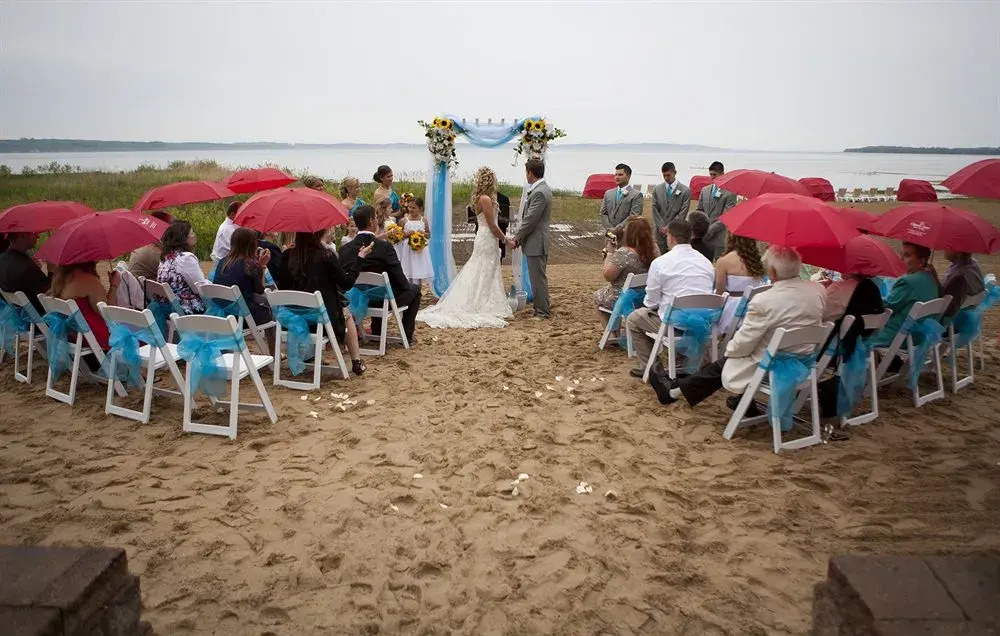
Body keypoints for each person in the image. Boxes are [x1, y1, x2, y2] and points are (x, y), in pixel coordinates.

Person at [648, 246, 826, 409]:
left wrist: (728, 350)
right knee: (733, 358)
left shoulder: (765, 300)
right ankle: (676, 390)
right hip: (805, 361)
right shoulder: (817, 291)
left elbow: (743, 343)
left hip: (770, 365)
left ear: (771, 271)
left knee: (728, 359)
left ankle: (673, 391)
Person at [417, 167, 512, 328]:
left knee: (486, 269)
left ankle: (484, 298)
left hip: (486, 237)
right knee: (482, 268)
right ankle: (480, 302)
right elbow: (492, 225)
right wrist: (506, 240)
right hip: (487, 237)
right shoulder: (485, 199)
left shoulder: (482, 198)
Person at [624, 219, 715, 378]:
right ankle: (680, 361)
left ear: (670, 237)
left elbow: (651, 302)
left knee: (634, 319)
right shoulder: (706, 263)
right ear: (690, 237)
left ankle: (651, 368)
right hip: (704, 323)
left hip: (674, 326)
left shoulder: (661, 263)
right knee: (667, 310)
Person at [278, 228, 372, 376]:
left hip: (292, 319)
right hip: (321, 321)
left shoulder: (287, 255)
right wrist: (360, 258)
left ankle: (310, 355)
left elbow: (282, 286)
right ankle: (356, 361)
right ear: (320, 233)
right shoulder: (326, 256)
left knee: (330, 308)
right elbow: (346, 283)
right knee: (346, 313)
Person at [340, 205, 422, 341]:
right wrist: (405, 288)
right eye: (375, 218)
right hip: (382, 300)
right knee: (415, 290)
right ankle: (407, 335)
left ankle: (377, 329)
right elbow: (398, 276)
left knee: (376, 288)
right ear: (371, 221)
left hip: (354, 300)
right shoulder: (384, 247)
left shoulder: (345, 249)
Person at [869, 242, 940, 349]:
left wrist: (867, 297)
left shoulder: (908, 282)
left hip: (897, 335)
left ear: (921, 261)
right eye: (901, 254)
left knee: (854, 334)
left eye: (907, 255)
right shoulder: (930, 279)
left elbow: (887, 306)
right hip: (918, 336)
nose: (901, 259)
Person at [509, 158, 553, 319]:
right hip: (536, 241)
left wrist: (516, 238)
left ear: (530, 173)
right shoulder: (541, 189)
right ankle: (539, 308)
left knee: (538, 279)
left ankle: (542, 311)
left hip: (536, 242)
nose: (526, 175)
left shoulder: (540, 192)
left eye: (526, 172)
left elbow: (530, 220)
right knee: (537, 278)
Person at [594, 216, 655, 324]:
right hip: (646, 297)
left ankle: (612, 331)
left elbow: (608, 276)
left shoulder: (624, 253)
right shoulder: (653, 250)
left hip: (624, 299)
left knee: (598, 296)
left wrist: (610, 253)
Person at [51, 262, 121, 351]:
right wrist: (114, 285)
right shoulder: (89, 280)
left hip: (72, 334)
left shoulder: (60, 280)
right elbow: (107, 313)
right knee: (131, 332)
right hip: (92, 334)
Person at [212, 228, 274, 327]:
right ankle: (272, 338)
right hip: (243, 316)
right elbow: (260, 290)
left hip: (223, 313)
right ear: (252, 245)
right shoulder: (250, 265)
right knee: (272, 313)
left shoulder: (222, 262)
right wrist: (262, 265)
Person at [714, 234, 767, 335]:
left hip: (732, 311)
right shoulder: (757, 261)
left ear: (730, 238)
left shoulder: (723, 261)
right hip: (755, 308)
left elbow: (720, 292)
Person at [157, 220, 208, 315]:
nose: (194, 235)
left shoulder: (166, 256)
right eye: (191, 233)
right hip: (185, 308)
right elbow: (200, 288)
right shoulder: (186, 258)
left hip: (167, 305)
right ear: (183, 238)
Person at [0, 232, 51, 314]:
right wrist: (51, 271)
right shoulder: (27, 268)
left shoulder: (3, 259)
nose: (38, 236)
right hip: (40, 316)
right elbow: (50, 296)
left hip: (17, 314)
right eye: (34, 233)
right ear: (22, 235)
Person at [698, 161, 738, 260]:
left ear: (722, 174)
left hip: (720, 238)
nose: (712, 177)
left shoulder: (730, 193)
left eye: (714, 174)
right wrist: (700, 229)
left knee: (719, 265)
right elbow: (699, 211)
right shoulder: (705, 190)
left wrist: (710, 230)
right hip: (704, 237)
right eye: (711, 174)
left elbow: (726, 217)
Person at [651, 162, 692, 254]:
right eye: (664, 175)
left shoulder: (685, 191)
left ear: (675, 173)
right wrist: (661, 227)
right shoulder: (657, 189)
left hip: (676, 233)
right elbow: (654, 209)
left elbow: (683, 212)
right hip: (659, 232)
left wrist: (669, 227)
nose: (666, 178)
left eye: (668, 175)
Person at [127, 211, 173, 279]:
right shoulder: (154, 251)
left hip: (140, 283)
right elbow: (176, 270)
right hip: (147, 284)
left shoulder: (145, 243)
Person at [599, 163, 644, 232]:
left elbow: (634, 216)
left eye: (620, 175)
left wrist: (616, 229)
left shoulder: (636, 195)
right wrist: (609, 228)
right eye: (616, 175)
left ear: (628, 176)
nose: (617, 177)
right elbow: (603, 213)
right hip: (609, 234)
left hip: (626, 234)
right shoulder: (608, 193)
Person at [941, 251, 985, 320]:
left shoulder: (959, 277)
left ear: (958, 253)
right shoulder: (973, 263)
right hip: (967, 308)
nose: (945, 250)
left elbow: (946, 304)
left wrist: (934, 278)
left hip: (951, 313)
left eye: (949, 248)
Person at [399, 197, 433, 286]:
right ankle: (409, 288)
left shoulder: (423, 220)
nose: (410, 209)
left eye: (413, 208)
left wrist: (423, 233)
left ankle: (418, 289)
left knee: (419, 271)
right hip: (408, 250)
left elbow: (429, 235)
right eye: (409, 207)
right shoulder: (403, 220)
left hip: (420, 251)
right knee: (408, 270)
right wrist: (406, 234)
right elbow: (399, 236)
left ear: (420, 208)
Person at [468, 191, 511, 259]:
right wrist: (507, 241)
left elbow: (505, 220)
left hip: (496, 234)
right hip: (487, 236)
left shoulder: (503, 198)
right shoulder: (484, 199)